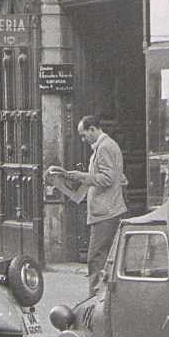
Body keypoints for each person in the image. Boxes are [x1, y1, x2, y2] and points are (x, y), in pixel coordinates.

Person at [48, 115, 128, 294]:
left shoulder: (105, 147)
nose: (83, 140)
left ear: (93, 129)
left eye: (84, 135)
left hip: (106, 212)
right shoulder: (105, 146)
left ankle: (95, 299)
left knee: (95, 258)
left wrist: (82, 176)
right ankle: (104, 297)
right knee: (105, 258)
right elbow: (118, 177)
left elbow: (108, 178)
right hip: (108, 210)